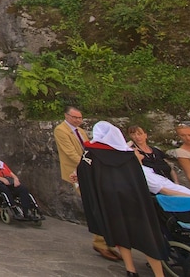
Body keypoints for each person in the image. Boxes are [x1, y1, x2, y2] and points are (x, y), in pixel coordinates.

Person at [75, 122, 167, 277]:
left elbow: (83, 174)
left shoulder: (90, 154)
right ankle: (159, 274)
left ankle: (130, 269)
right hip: (134, 200)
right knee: (147, 235)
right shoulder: (129, 155)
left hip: (109, 200)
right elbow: (139, 180)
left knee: (121, 233)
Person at [54, 106, 120, 262]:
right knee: (95, 204)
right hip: (78, 173)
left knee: (101, 203)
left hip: (89, 171)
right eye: (74, 117)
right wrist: (88, 165)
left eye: (79, 118)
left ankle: (107, 240)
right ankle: (101, 242)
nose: (77, 120)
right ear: (66, 116)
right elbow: (70, 153)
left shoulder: (81, 131)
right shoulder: (61, 130)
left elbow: (89, 149)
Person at [0, 150, 38, 220]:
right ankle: (14, 209)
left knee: (23, 189)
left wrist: (16, 179)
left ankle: (26, 211)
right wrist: (0, 178)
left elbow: (11, 173)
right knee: (5, 190)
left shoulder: (2, 164)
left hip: (9, 181)